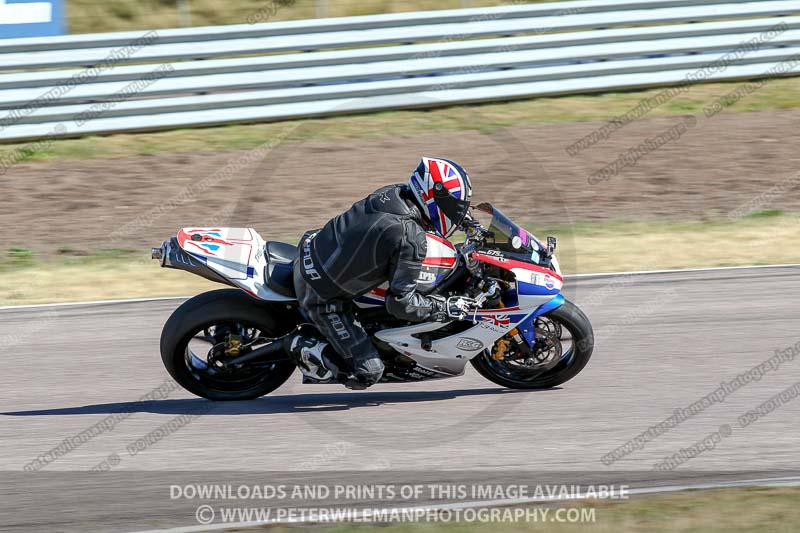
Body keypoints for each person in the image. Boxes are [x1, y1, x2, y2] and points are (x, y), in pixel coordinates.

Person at [286, 157, 479, 389]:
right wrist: (444, 307)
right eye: (455, 206)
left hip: (312, 245)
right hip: (319, 294)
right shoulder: (409, 236)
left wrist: (467, 221)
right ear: (433, 198)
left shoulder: (395, 193)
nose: (458, 211)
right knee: (368, 372)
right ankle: (301, 343)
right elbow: (400, 304)